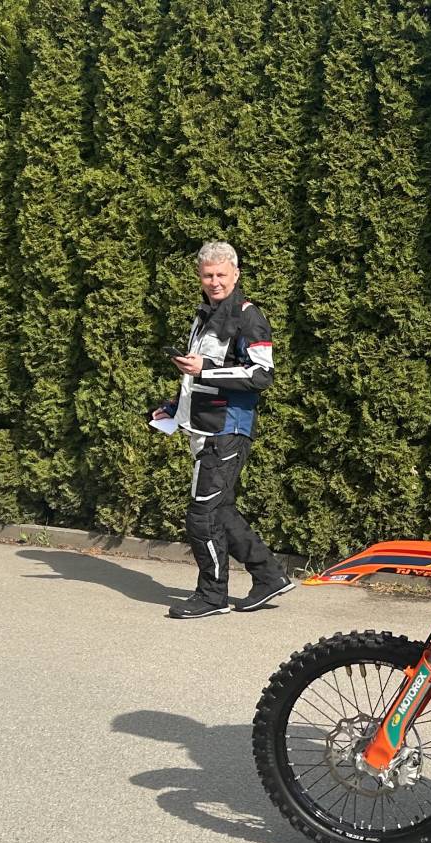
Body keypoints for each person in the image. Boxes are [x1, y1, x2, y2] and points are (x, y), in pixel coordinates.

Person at [152, 241, 291, 620]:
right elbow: (198, 375)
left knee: (202, 515)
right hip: (203, 426)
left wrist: (207, 369)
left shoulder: (248, 316)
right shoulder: (204, 314)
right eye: (207, 275)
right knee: (221, 510)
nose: (214, 282)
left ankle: (212, 596)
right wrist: (172, 407)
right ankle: (269, 576)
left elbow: (262, 375)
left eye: (221, 275)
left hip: (228, 430)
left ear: (236, 274)